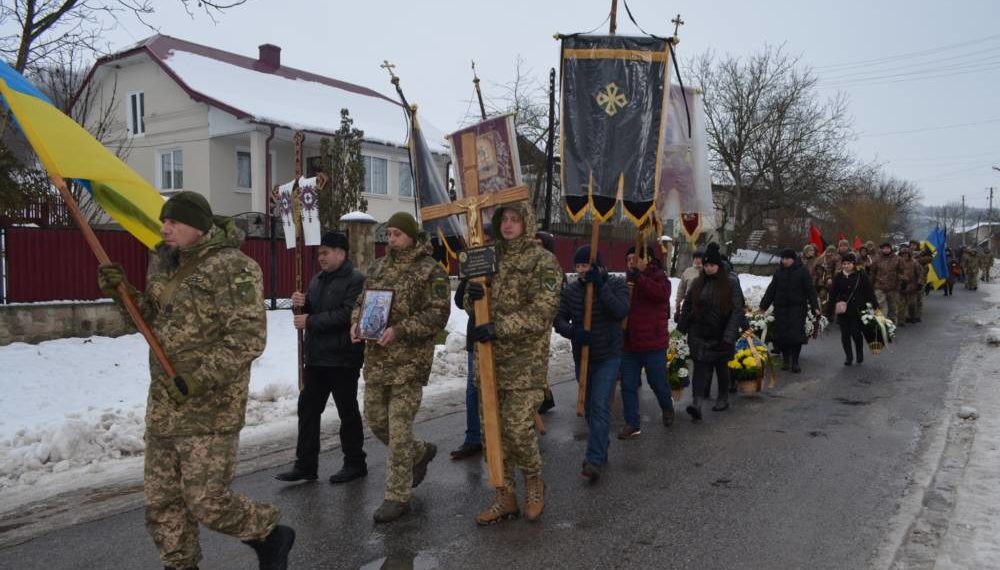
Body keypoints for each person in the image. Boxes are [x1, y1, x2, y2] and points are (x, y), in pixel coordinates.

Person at [97, 191, 294, 570]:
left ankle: (268, 532)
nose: (164, 228)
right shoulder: (164, 262)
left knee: (206, 500)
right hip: (165, 404)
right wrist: (123, 295)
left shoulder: (233, 267)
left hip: (210, 407)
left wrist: (199, 379)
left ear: (199, 228)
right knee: (161, 503)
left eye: (174, 222)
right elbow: (152, 323)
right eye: (164, 221)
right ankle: (181, 564)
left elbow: (248, 338)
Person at [464, 203, 562, 524]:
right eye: (503, 219)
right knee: (494, 433)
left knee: (518, 428)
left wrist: (500, 327)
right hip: (489, 364)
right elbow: (470, 303)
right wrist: (472, 292)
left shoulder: (542, 261)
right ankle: (504, 494)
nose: (507, 225)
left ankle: (534, 481)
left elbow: (543, 311)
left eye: (514, 220)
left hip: (524, 364)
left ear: (527, 223)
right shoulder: (487, 255)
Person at [351, 212, 451, 523]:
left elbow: (438, 314)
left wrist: (401, 329)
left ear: (411, 236)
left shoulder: (430, 271)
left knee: (398, 428)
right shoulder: (379, 267)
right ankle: (419, 452)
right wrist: (356, 323)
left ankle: (397, 496)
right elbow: (361, 301)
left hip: (409, 362)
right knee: (376, 419)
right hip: (378, 361)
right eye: (389, 233)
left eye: (397, 234)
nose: (391, 239)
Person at [275, 231, 367, 485]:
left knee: (346, 411)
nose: (320, 258)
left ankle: (355, 462)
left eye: (325, 252)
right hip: (316, 358)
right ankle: (305, 464)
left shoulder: (356, 280)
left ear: (341, 252)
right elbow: (312, 311)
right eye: (319, 253)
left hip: (343, 358)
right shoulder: (317, 280)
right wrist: (300, 304)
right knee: (307, 410)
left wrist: (310, 320)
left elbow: (348, 315)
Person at [555, 245, 630, 481]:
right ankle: (601, 443)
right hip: (584, 357)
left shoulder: (615, 284)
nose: (581, 270)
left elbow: (620, 311)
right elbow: (558, 320)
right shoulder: (572, 291)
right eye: (577, 266)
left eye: (585, 265)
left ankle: (594, 460)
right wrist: (573, 332)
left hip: (608, 355)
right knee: (589, 408)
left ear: (597, 265)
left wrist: (601, 286)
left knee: (599, 406)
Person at [677, 242, 744, 419]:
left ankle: (723, 397)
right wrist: (681, 328)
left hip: (721, 333)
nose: (708, 268)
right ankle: (697, 403)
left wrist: (729, 335)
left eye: (711, 265)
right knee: (699, 367)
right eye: (706, 265)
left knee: (721, 367)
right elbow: (688, 305)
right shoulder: (698, 282)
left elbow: (737, 310)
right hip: (699, 332)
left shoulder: (730, 282)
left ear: (718, 266)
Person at [619, 244, 674, 440]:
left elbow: (661, 295)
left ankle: (667, 407)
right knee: (628, 385)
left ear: (647, 259)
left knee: (657, 382)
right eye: (628, 260)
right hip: (630, 343)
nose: (631, 263)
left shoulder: (659, 277)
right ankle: (632, 423)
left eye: (635, 259)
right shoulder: (625, 281)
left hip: (653, 343)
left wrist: (640, 280)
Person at [759, 248, 820, 374]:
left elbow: (810, 290)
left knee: (796, 336)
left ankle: (795, 362)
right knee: (783, 336)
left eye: (787, 258)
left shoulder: (802, 271)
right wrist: (763, 306)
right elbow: (771, 290)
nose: (784, 261)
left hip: (797, 308)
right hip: (781, 309)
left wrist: (815, 307)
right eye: (783, 258)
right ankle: (786, 360)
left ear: (793, 259)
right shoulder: (779, 273)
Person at [448, 277, 483, 461]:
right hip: (475, 338)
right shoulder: (473, 270)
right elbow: (459, 302)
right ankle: (473, 438)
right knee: (472, 388)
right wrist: (467, 278)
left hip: (502, 339)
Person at [825, 253, 878, 366]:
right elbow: (833, 294)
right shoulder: (838, 277)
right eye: (844, 264)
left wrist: (874, 305)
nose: (846, 266)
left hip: (857, 309)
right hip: (843, 311)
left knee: (856, 333)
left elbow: (869, 291)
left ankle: (859, 353)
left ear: (853, 264)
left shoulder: (861, 275)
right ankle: (848, 356)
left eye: (848, 263)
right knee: (845, 334)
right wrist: (828, 311)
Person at [533, 230, 561, 414]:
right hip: (524, 324)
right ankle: (546, 395)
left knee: (536, 362)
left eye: (539, 244)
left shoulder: (550, 266)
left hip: (540, 325)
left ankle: (542, 397)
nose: (535, 247)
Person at [869, 242, 903, 325]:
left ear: (891, 249)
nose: (886, 250)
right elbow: (872, 272)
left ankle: (892, 326)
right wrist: (870, 284)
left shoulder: (898, 259)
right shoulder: (877, 259)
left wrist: (901, 282)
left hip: (893, 287)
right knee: (879, 306)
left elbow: (902, 272)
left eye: (887, 248)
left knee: (893, 308)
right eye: (884, 248)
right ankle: (881, 325)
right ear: (881, 249)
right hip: (879, 286)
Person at [897, 245, 923, 325]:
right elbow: (894, 273)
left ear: (909, 254)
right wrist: (900, 278)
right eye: (903, 254)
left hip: (912, 286)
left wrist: (919, 283)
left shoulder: (914, 262)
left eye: (906, 254)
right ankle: (901, 320)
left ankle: (913, 317)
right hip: (901, 286)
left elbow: (920, 274)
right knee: (901, 304)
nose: (904, 255)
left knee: (912, 303)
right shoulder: (897, 262)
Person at [674, 249, 703, 318]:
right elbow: (681, 289)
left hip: (702, 305)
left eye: (700, 258)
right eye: (696, 258)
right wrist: (678, 305)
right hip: (688, 304)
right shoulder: (688, 271)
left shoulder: (706, 271)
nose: (698, 260)